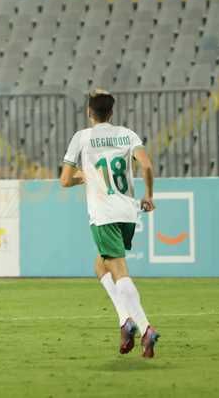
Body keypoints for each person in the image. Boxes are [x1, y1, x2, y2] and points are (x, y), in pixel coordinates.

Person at [59, 90, 160, 358]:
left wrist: (84, 177)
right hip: (128, 212)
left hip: (103, 214)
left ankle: (144, 327)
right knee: (100, 264)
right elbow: (147, 166)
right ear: (111, 113)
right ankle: (124, 320)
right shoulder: (127, 134)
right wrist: (149, 196)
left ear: (89, 112)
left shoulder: (82, 137)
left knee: (119, 270)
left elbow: (64, 180)